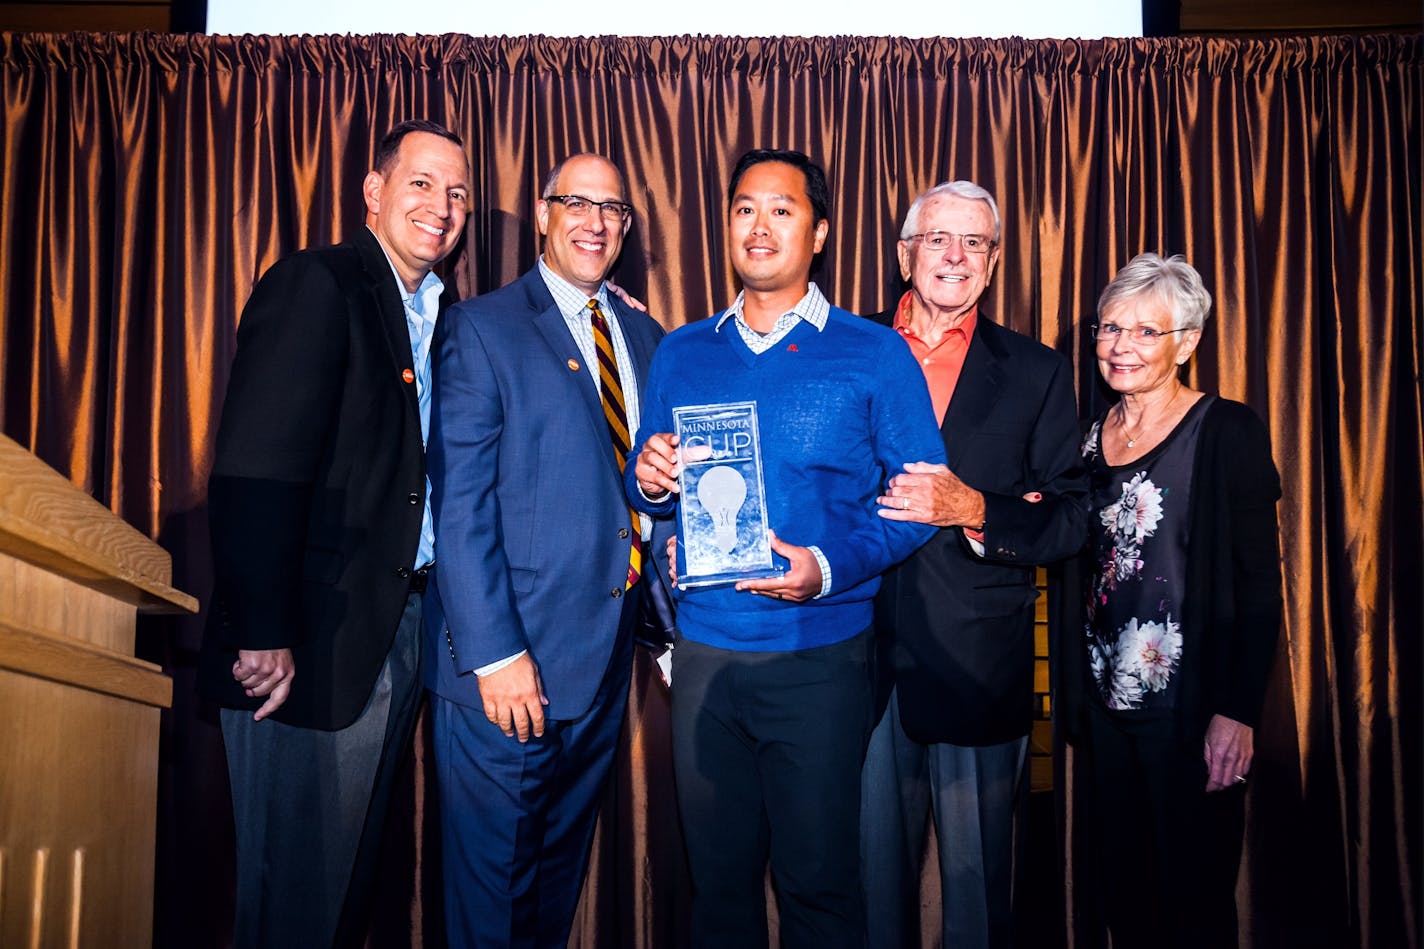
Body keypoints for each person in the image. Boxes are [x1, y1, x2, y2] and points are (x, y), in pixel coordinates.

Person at [628, 148, 945, 949]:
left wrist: (826, 567)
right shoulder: (682, 351)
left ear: (821, 231)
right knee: (717, 892)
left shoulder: (876, 354)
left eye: (781, 208)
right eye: (742, 208)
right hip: (703, 661)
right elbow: (647, 486)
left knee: (819, 889)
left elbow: (921, 506)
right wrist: (652, 480)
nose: (758, 225)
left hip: (822, 659)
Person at [200, 120, 470, 948]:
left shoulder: (440, 314)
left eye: (457, 192)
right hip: (302, 648)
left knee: (338, 895)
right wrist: (263, 631)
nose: (441, 205)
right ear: (374, 191)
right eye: (421, 183)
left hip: (393, 636)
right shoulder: (320, 284)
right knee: (291, 903)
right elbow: (255, 466)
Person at [424, 153, 671, 949]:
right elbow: (459, 502)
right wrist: (496, 655)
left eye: (613, 210)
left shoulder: (641, 331)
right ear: (541, 212)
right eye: (577, 203)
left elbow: (631, 480)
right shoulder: (483, 326)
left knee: (552, 890)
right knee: (491, 904)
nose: (596, 222)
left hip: (600, 667)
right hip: (508, 672)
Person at [859, 180, 1088, 949]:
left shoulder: (1037, 371)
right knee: (865, 891)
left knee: (977, 898)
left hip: (979, 661)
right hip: (852, 658)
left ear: (991, 264)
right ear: (904, 254)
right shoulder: (842, 348)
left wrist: (979, 509)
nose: (954, 257)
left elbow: (1069, 515)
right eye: (937, 239)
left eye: (974, 243)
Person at [1059, 252, 1282, 948]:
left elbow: (1258, 583)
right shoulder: (1089, 439)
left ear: (1187, 343)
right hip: (1105, 708)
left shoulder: (1227, 430)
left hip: (1191, 711)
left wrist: (1238, 710)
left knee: (1194, 902)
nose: (1120, 345)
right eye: (1108, 327)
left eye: (1144, 332)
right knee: (1125, 900)